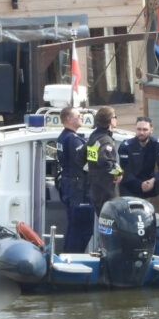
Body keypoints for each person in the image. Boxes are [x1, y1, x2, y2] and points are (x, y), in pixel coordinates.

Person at [119, 116, 159, 233]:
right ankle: (129, 229)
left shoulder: (157, 143)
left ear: (151, 130)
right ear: (135, 129)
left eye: (144, 129)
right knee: (124, 184)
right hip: (132, 184)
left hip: (150, 182)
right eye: (139, 129)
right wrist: (139, 184)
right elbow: (125, 172)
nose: (141, 132)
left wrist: (153, 180)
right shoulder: (125, 146)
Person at [55, 105, 93, 252]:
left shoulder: (62, 137)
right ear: (69, 119)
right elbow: (86, 164)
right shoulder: (73, 139)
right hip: (78, 189)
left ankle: (68, 255)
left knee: (74, 226)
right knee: (82, 228)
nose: (81, 117)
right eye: (78, 115)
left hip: (69, 185)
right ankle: (73, 257)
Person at [86, 105, 123, 214]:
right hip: (106, 189)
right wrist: (119, 172)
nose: (116, 119)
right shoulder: (106, 140)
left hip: (95, 187)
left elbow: (81, 157)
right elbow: (105, 162)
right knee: (111, 222)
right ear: (111, 120)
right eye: (115, 117)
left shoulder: (94, 137)